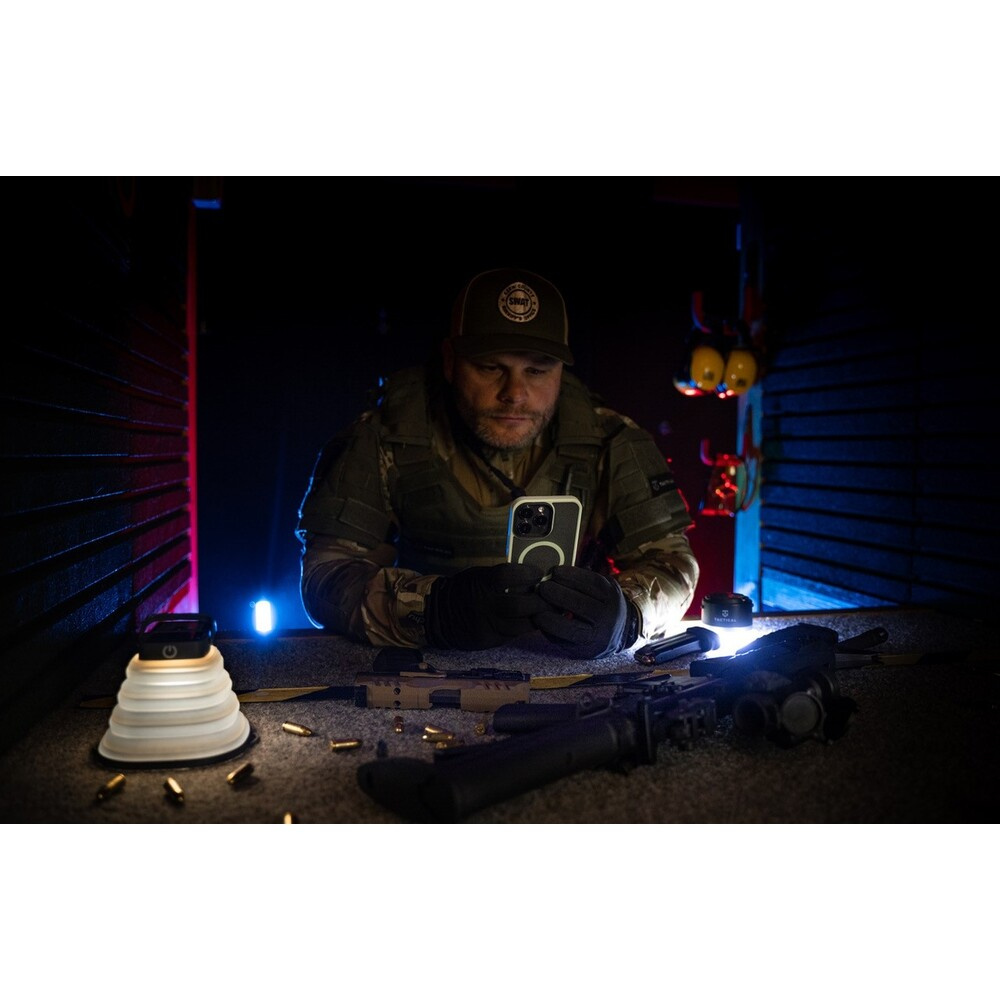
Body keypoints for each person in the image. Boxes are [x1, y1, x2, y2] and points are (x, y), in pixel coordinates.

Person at [296, 267, 699, 660]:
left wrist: (627, 615)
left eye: (537, 370)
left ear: (560, 372)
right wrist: (434, 610)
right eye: (490, 367)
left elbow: (672, 564)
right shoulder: (387, 436)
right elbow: (325, 576)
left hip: (559, 664)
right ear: (450, 361)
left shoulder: (607, 440)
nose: (515, 393)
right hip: (429, 660)